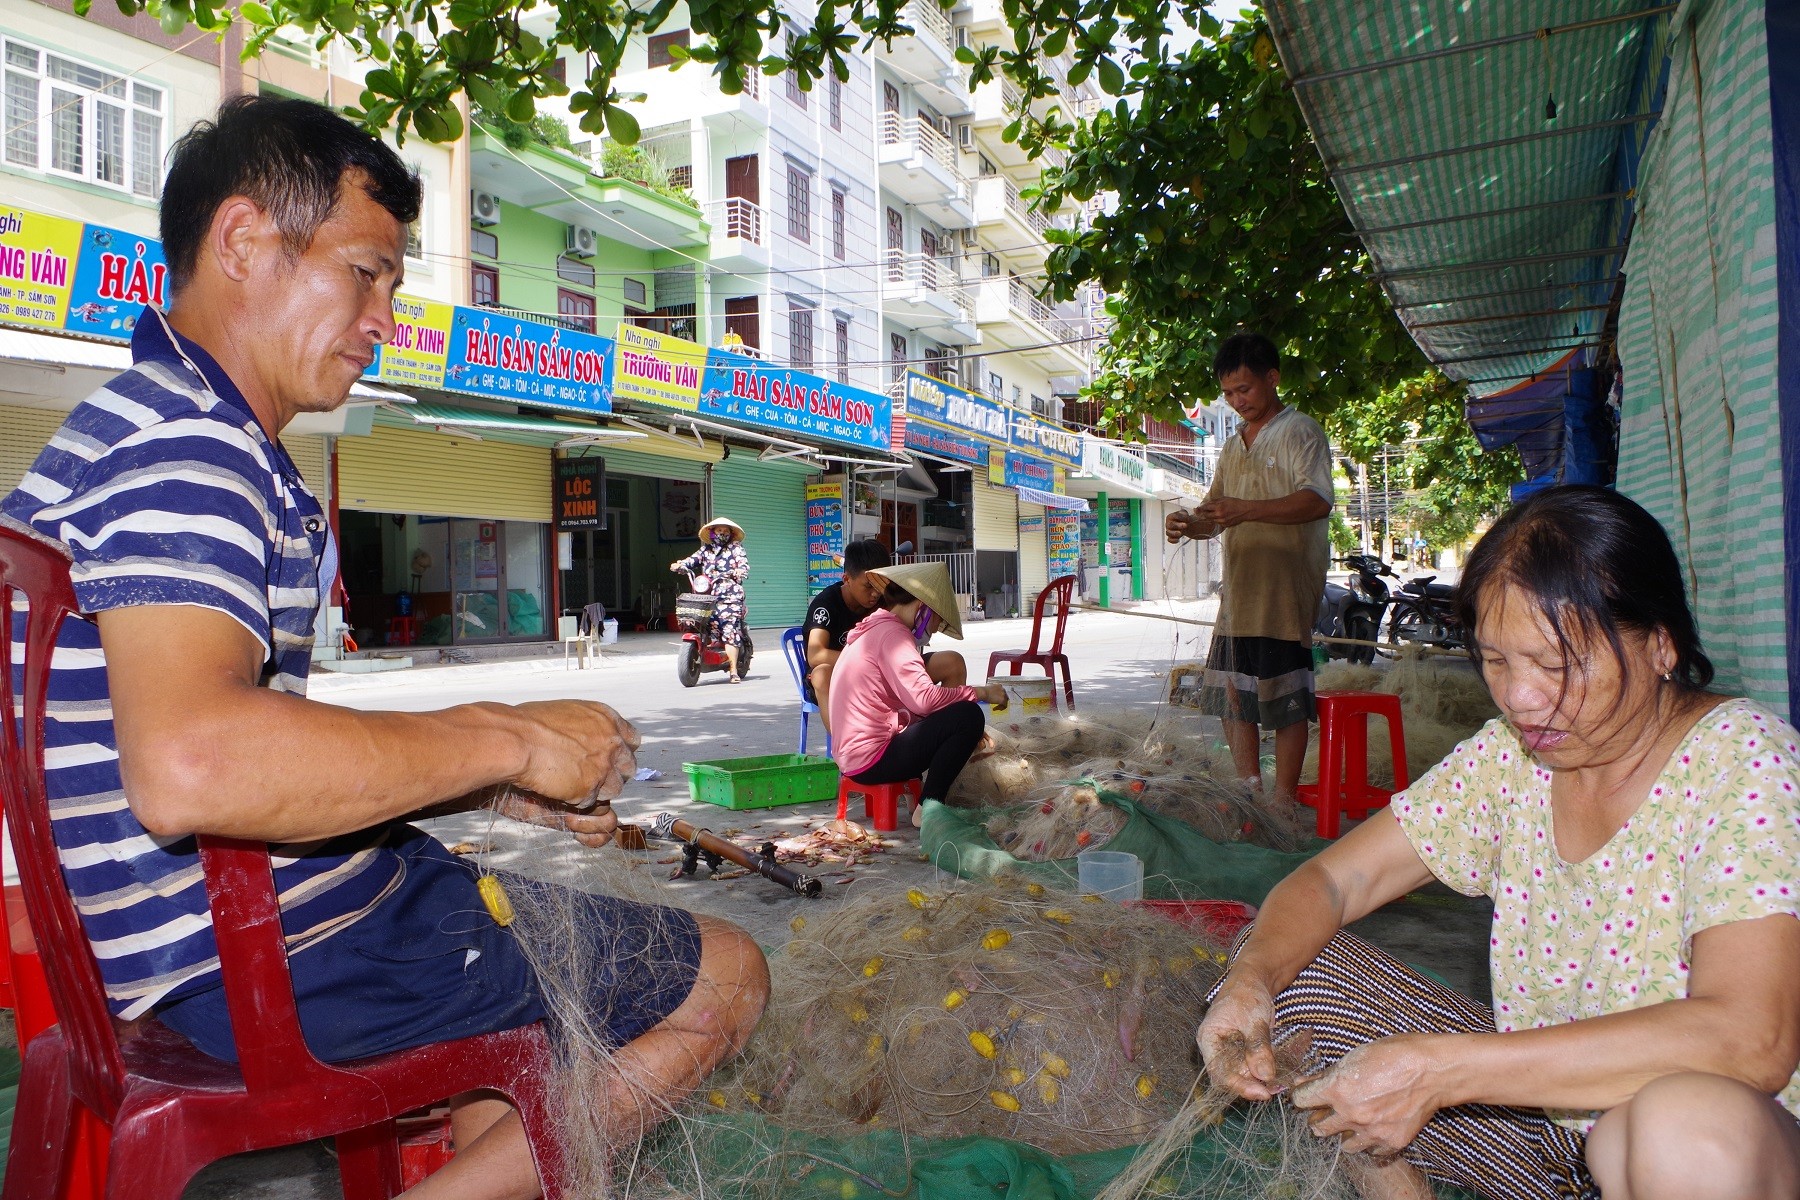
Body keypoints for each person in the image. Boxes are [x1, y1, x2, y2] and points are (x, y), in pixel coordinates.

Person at [0, 96, 767, 1199]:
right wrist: (504, 734)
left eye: (394, 286)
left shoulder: (133, 424)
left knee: (512, 979)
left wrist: (490, 787)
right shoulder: (193, 455)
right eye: (364, 272)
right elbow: (195, 764)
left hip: (198, 942)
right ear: (245, 241)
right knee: (727, 975)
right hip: (256, 965)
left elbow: (261, 741)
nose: (384, 317)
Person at [1197, 486, 1800, 1200]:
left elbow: (1748, 1040)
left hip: (1707, 1153)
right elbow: (1333, 884)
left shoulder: (1743, 763)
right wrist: (1250, 983)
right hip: (1546, 1127)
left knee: (1682, 1123)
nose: (1520, 699)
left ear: (1661, 643)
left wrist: (1446, 1069)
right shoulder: (1512, 758)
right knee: (1283, 964)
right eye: (1495, 661)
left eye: (1556, 665)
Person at [1165, 331, 1332, 803]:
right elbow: (1215, 513)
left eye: (1245, 390)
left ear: (1272, 379)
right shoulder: (1231, 446)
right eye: (1228, 394)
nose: (1237, 401)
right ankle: (1248, 792)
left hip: (1285, 591)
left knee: (1286, 702)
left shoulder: (1302, 431)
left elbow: (1317, 501)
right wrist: (1187, 523)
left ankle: (1280, 802)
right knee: (1232, 695)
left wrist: (1247, 510)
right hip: (1238, 593)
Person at [828, 561, 1008, 827]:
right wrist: (981, 692)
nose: (934, 629)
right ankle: (930, 808)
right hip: (871, 758)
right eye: (936, 618)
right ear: (922, 607)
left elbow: (912, 702)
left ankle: (930, 802)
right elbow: (924, 701)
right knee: (968, 716)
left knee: (956, 715)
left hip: (852, 757)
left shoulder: (876, 628)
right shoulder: (894, 636)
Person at [803, 540, 969, 730]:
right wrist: (868, 661)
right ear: (847, 579)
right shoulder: (826, 603)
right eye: (867, 586)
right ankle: (845, 748)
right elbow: (815, 655)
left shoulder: (886, 598)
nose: (875, 594)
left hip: (889, 671)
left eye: (878, 585)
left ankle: (943, 734)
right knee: (821, 674)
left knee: (952, 662)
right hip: (846, 676)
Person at [671, 516, 750, 682]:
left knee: (729, 631)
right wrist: (680, 565)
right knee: (702, 624)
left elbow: (743, 565)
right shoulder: (705, 550)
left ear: (730, 534)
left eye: (725, 531)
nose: (722, 533)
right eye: (719, 530)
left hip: (729, 596)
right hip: (707, 596)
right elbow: (692, 561)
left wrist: (739, 571)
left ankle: (733, 670)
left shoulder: (736, 548)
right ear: (712, 533)